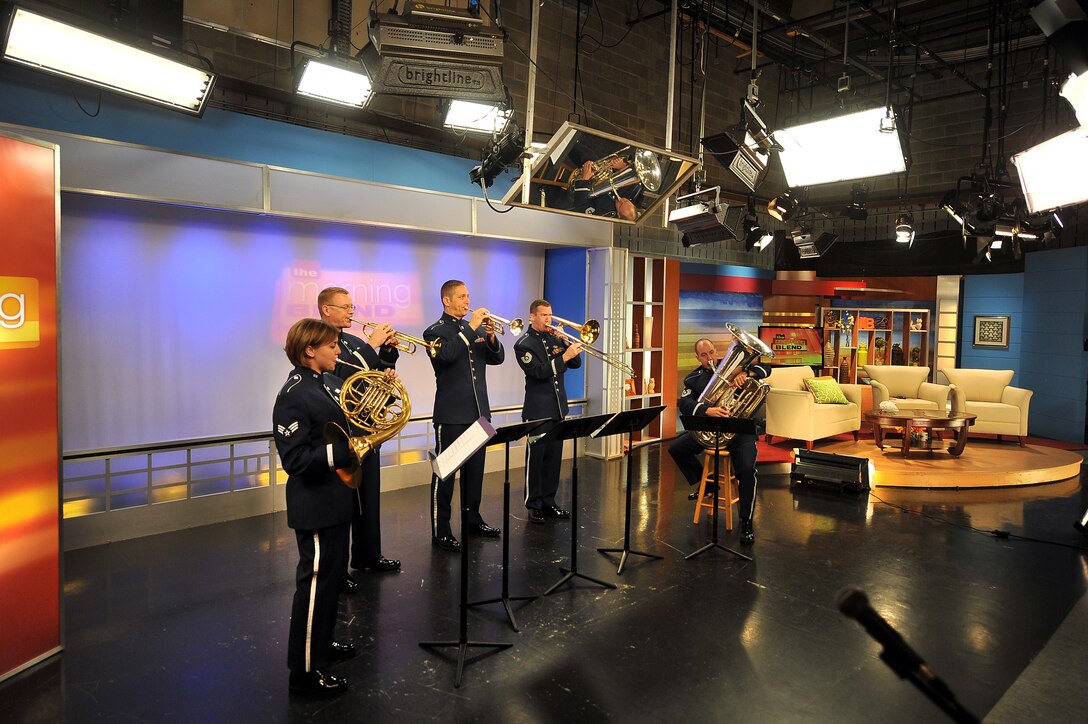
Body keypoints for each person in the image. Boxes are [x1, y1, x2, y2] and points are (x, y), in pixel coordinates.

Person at [272, 318, 357, 696]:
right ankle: (304, 672)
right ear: (310, 350)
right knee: (315, 586)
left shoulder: (323, 384)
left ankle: (320, 643)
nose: (338, 351)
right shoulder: (294, 394)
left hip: (335, 499)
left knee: (331, 582)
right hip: (316, 505)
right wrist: (346, 451)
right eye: (332, 345)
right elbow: (294, 460)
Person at [318, 286, 401, 592]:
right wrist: (373, 344)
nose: (352, 312)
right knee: (343, 504)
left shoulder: (353, 340)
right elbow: (335, 376)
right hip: (341, 433)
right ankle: (337, 571)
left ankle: (368, 555)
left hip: (367, 429)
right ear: (327, 309)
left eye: (352, 306)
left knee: (369, 498)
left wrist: (388, 359)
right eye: (345, 307)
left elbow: (375, 373)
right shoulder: (320, 341)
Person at [422, 280, 505, 551]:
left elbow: (497, 359)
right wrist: (471, 329)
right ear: (447, 300)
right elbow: (446, 356)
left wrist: (491, 336)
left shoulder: (475, 329)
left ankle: (473, 519)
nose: (467, 301)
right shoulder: (434, 331)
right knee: (445, 475)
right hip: (451, 413)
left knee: (475, 473)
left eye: (468, 295)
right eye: (461, 296)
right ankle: (441, 530)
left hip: (479, 411)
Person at [668, 337, 770, 544]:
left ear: (717, 351)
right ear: (698, 357)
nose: (709, 358)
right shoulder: (692, 379)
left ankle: (746, 521)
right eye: (704, 355)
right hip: (710, 429)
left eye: (712, 352)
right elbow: (685, 405)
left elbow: (767, 369)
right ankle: (709, 486)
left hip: (739, 430)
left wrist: (746, 373)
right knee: (676, 448)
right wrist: (708, 410)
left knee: (746, 470)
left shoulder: (734, 367)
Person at [514, 299, 582, 524]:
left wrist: (566, 342)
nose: (548, 319)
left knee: (554, 458)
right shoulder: (523, 344)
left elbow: (575, 364)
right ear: (532, 316)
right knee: (536, 460)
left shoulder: (554, 337)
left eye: (550, 315)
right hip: (538, 410)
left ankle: (549, 501)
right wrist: (564, 356)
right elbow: (539, 372)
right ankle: (533, 504)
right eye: (543, 315)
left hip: (557, 407)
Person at [566, 159, 639, 221]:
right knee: (593, 161)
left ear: (618, 214)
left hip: (577, 190)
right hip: (595, 177)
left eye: (620, 205)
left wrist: (585, 179)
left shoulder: (605, 213)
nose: (621, 200)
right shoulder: (630, 194)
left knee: (589, 160)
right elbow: (634, 177)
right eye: (626, 201)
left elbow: (580, 205)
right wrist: (622, 167)